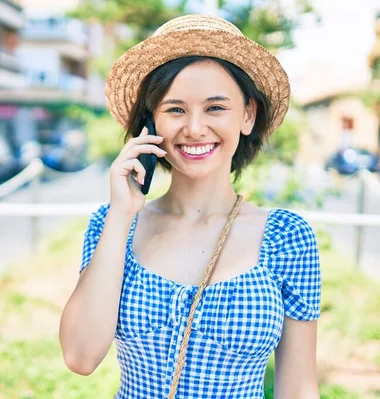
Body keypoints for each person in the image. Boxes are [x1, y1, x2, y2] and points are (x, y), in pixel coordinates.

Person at [59, 14, 321, 399]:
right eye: (175, 109)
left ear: (247, 115)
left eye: (215, 108)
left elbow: (298, 388)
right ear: (150, 123)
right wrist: (121, 213)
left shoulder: (287, 237)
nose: (195, 128)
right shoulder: (113, 224)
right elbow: (80, 357)